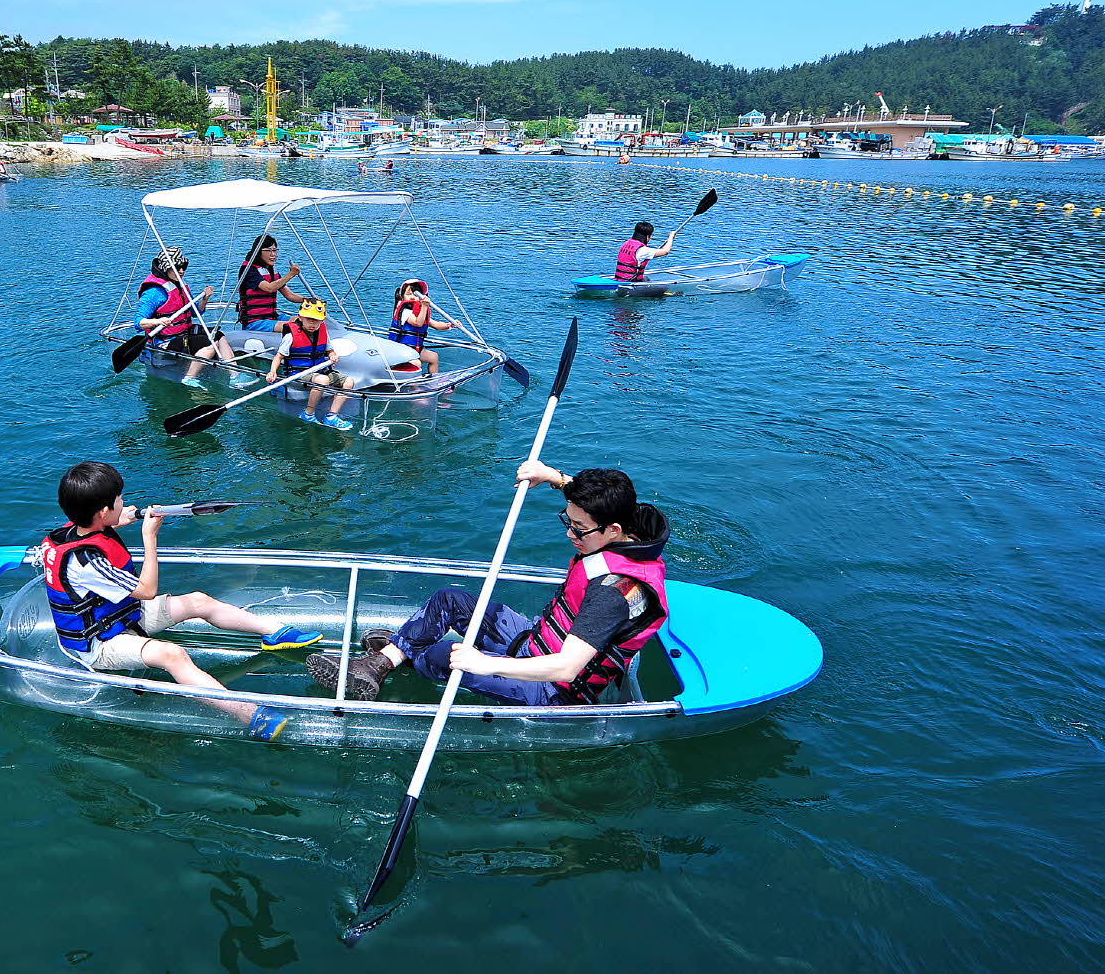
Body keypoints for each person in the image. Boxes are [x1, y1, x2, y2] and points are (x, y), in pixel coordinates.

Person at [307, 461, 670, 704]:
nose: (570, 534)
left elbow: (566, 668)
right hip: (533, 641)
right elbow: (589, 498)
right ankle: (386, 659)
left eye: (578, 529)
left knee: (442, 656)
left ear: (614, 531)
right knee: (450, 600)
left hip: (550, 686)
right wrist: (555, 477)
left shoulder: (616, 592)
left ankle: (402, 655)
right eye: (567, 521)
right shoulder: (622, 521)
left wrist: (484, 663)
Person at [42, 462, 323, 740]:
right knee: (172, 655)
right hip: (100, 643)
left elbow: (96, 532)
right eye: (119, 500)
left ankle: (273, 633)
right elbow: (147, 590)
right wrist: (149, 537)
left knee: (198, 601)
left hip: (121, 616)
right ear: (102, 511)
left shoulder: (78, 526)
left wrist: (118, 519)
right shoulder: (84, 562)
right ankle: (248, 715)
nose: (123, 503)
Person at [135, 246, 257, 391]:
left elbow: (195, 312)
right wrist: (158, 321)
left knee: (219, 336)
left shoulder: (181, 287)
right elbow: (139, 322)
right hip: (165, 342)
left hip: (185, 333)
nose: (181, 271)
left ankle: (234, 375)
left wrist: (205, 299)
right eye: (177, 267)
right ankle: (189, 377)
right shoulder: (154, 292)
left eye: (183, 266)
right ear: (165, 268)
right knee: (212, 344)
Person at [265, 297, 356, 430]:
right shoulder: (291, 336)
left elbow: (329, 349)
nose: (312, 323)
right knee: (323, 380)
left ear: (322, 320)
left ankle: (331, 416)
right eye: (309, 319)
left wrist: (332, 354)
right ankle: (308, 413)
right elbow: (279, 357)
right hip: (298, 374)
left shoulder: (323, 332)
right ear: (300, 318)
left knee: (349, 382)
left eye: (316, 320)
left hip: (319, 371)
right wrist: (272, 371)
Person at [237, 235, 306, 331]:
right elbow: (269, 288)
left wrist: (308, 300)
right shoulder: (249, 270)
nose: (273, 254)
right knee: (295, 327)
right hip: (254, 322)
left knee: (307, 321)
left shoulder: (271, 270)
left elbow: (289, 295)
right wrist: (291, 274)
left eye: (275, 250)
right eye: (269, 251)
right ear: (258, 252)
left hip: (272, 317)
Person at [386, 278, 454, 375]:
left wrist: (449, 325)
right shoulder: (406, 311)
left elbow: (436, 325)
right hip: (400, 349)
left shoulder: (420, 311)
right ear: (402, 297)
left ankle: (434, 380)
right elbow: (418, 323)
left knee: (433, 357)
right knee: (416, 363)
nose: (413, 298)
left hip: (413, 349)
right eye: (408, 294)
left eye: (416, 295)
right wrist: (424, 307)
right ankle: (414, 387)